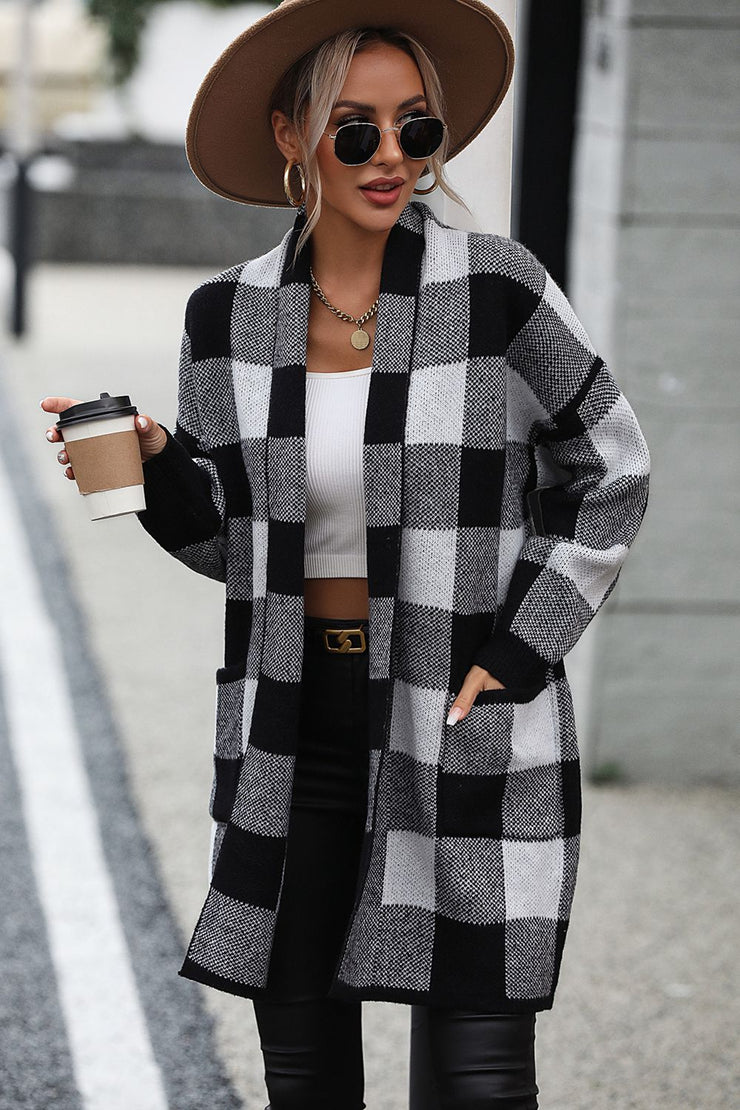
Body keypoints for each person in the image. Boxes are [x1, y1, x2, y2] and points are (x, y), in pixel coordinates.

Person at [41, 1, 650, 1106]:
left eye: (416, 128)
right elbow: (230, 542)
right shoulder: (227, 317)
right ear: (291, 136)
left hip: (455, 711)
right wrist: (155, 463)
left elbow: (610, 468)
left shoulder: (498, 292)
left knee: (479, 1079)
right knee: (306, 1072)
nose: (391, 157)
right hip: (293, 723)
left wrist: (520, 649)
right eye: (355, 130)